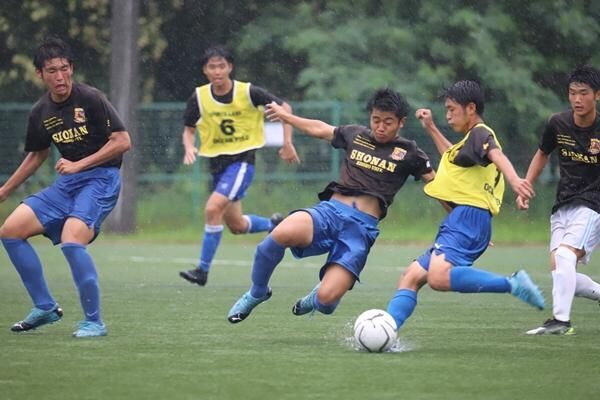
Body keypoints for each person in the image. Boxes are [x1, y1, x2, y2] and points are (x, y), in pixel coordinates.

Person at [227, 88, 435, 323]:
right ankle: (258, 292)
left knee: (326, 303)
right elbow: (319, 128)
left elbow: (437, 184)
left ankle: (317, 298)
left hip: (360, 230)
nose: (380, 127)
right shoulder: (356, 135)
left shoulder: (410, 152)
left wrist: (461, 215)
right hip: (330, 213)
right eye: (376, 120)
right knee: (276, 237)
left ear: (401, 122)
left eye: (388, 122)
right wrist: (286, 117)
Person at [386, 80, 545, 333]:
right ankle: (386, 330)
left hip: (469, 216)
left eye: (452, 109)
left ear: (470, 108)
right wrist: (431, 128)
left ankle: (512, 284)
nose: (448, 116)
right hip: (463, 218)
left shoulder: (481, 132)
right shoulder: (470, 141)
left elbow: (496, 154)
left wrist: (516, 180)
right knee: (410, 277)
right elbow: (451, 156)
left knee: (438, 277)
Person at [0, 37, 131, 338]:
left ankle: (94, 322)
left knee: (72, 238)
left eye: (64, 68)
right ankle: (44, 306)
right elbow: (38, 154)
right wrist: (5, 190)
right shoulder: (40, 112)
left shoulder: (91, 98)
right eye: (52, 71)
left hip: (102, 179)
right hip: (69, 182)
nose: (60, 76)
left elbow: (123, 141)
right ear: (40, 74)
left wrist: (79, 164)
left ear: (71, 68)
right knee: (10, 231)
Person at [178, 45, 300, 287]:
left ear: (230, 68)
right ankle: (275, 224)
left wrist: (287, 142)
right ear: (205, 70)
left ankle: (202, 270)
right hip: (217, 164)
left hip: (242, 161)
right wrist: (189, 147)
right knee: (236, 225)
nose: (217, 71)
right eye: (212, 67)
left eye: (221, 66)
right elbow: (189, 130)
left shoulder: (248, 92)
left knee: (212, 208)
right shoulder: (199, 97)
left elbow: (285, 108)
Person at [517, 65, 600, 335]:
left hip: (593, 204)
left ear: (597, 95)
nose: (577, 99)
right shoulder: (557, 123)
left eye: (583, 93)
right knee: (561, 271)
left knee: (565, 256)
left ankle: (560, 322)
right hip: (563, 203)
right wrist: (526, 185)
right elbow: (542, 153)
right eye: (572, 93)